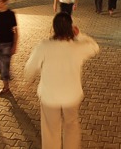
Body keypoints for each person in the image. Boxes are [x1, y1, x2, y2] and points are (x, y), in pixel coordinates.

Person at [24, 12, 99, 149]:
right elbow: (94, 47)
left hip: (49, 96)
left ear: (54, 28)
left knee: (51, 130)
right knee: (71, 126)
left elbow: (30, 67)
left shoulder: (44, 46)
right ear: (71, 28)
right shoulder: (78, 48)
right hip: (72, 95)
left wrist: (28, 80)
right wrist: (80, 35)